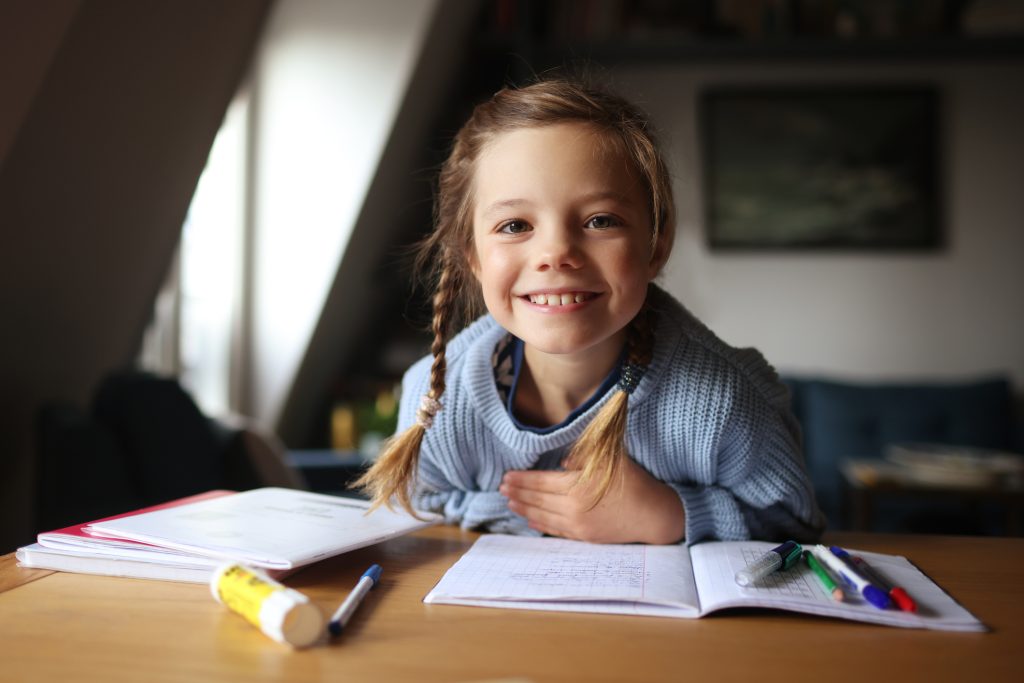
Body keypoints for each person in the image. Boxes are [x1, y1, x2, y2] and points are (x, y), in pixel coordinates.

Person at [356, 78, 824, 545]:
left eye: (600, 221)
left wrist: (668, 515)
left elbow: (794, 523)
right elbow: (418, 510)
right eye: (515, 225)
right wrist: (536, 514)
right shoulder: (438, 398)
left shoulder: (721, 400)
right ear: (473, 256)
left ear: (655, 245)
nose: (556, 252)